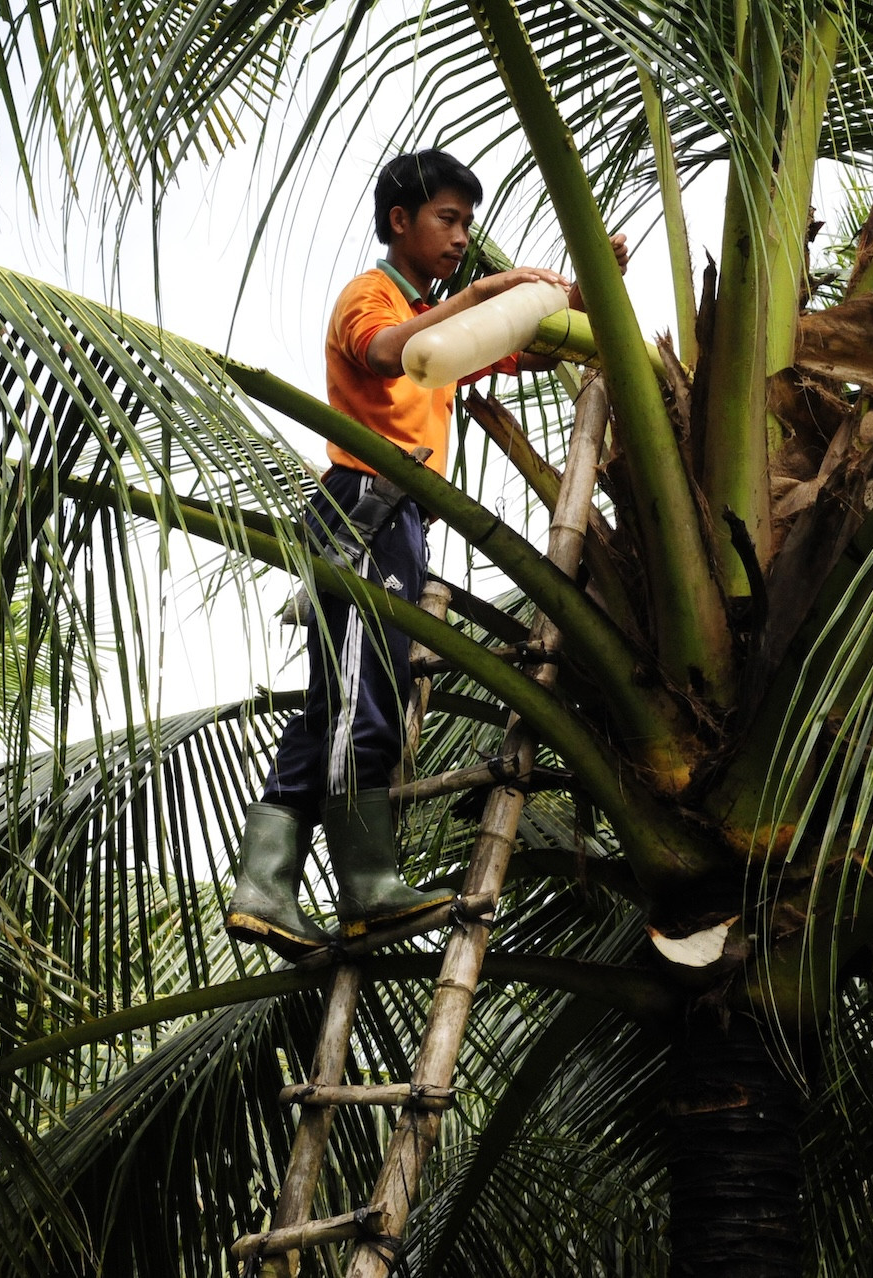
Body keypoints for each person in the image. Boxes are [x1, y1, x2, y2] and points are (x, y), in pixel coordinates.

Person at [226, 149, 628, 958]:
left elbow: (531, 350)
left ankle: (264, 888)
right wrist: (479, 293)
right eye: (448, 218)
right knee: (361, 699)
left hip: (402, 521)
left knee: (333, 701)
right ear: (400, 220)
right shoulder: (371, 297)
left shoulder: (442, 320)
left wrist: (585, 292)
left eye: (466, 223)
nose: (460, 238)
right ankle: (366, 885)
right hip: (362, 513)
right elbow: (382, 353)